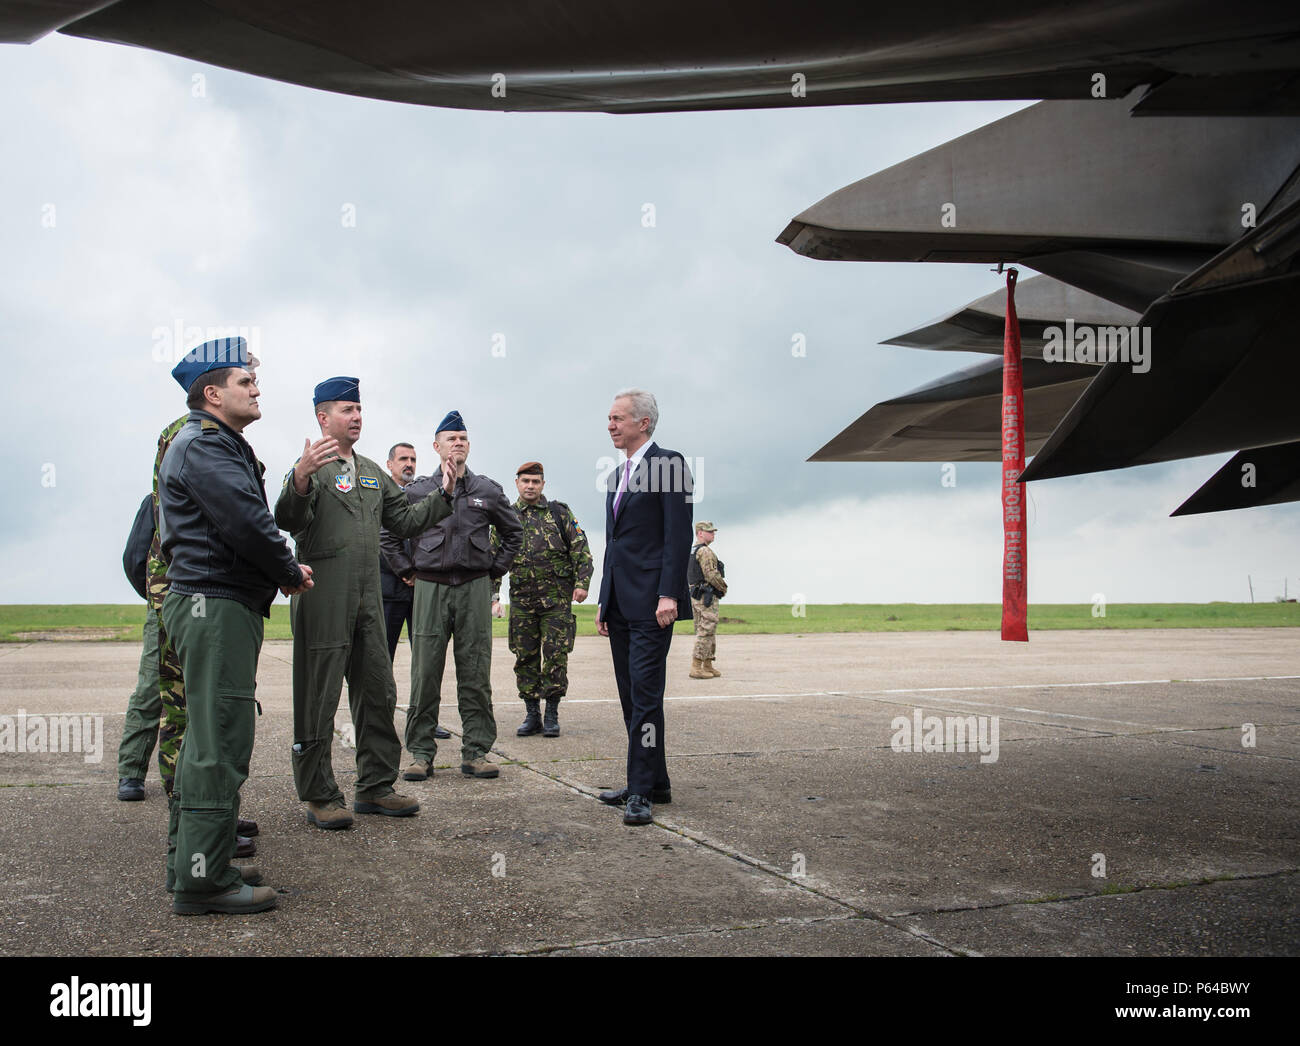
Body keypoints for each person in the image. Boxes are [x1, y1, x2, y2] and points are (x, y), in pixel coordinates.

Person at [157, 337, 313, 915]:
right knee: (219, 742)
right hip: (213, 604)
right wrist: (288, 570)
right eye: (245, 380)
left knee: (208, 737)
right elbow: (246, 523)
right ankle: (203, 882)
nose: (256, 386)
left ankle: (197, 858)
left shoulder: (214, 442)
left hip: (215, 602)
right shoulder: (205, 445)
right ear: (213, 393)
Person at [275, 378, 454, 830]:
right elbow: (285, 519)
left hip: (369, 599)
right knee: (318, 695)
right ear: (323, 417)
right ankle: (319, 794)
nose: (357, 417)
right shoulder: (309, 469)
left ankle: (375, 786)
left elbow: (407, 521)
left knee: (377, 689)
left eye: (360, 409)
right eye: (347, 409)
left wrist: (445, 495)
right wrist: (298, 478)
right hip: (323, 596)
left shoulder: (373, 471)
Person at [380, 411, 521, 781]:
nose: (457, 443)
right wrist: (407, 570)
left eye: (463, 438)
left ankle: (476, 751)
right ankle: (420, 753)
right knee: (425, 672)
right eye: (450, 438)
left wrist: (494, 569)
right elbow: (388, 533)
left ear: (469, 446)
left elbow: (513, 533)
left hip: (474, 588)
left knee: (475, 672)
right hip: (430, 587)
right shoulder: (419, 491)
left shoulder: (486, 491)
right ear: (436, 446)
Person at [595, 389, 693, 826]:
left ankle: (639, 792)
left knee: (647, 696)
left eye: (618, 418)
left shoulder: (668, 464)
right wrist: (603, 599)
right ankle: (657, 782)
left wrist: (669, 593)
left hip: (653, 604)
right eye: (610, 419)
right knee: (631, 696)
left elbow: (678, 535)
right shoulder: (617, 476)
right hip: (619, 603)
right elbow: (613, 544)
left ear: (644, 423)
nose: (611, 425)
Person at [491, 461, 593, 738]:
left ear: (543, 485)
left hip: (556, 603)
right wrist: (493, 596)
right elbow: (494, 558)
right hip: (522, 602)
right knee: (525, 657)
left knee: (555, 657)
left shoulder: (559, 513)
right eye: (525, 481)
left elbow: (580, 550)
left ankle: (552, 713)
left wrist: (582, 584)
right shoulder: (506, 516)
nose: (530, 486)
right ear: (517, 483)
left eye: (535, 482)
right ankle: (532, 713)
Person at [382, 442, 451, 740]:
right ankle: (379, 721)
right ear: (390, 464)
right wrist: (406, 571)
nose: (408, 464)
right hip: (389, 588)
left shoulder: (423, 493)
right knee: (381, 659)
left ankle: (425, 718)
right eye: (402, 459)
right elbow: (385, 539)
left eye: (412, 459)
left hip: (423, 591)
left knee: (427, 659)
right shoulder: (381, 494)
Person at [687, 522, 727, 679]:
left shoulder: (692, 550)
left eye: (713, 532)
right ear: (700, 533)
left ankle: (708, 663)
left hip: (696, 594)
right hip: (705, 595)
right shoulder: (704, 551)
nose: (713, 534)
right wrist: (723, 587)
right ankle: (696, 666)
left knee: (703, 627)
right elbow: (711, 574)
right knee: (707, 628)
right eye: (709, 532)